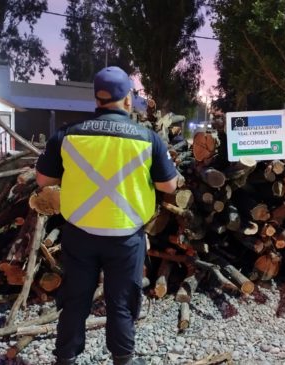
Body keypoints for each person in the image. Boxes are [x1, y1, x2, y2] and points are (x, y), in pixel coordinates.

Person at [36, 66, 178, 365]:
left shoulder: (68, 134)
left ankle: (65, 359)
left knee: (75, 300)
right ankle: (123, 360)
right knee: (122, 303)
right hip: (125, 236)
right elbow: (169, 185)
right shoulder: (147, 138)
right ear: (128, 98)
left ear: (97, 97)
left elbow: (43, 181)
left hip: (79, 235)